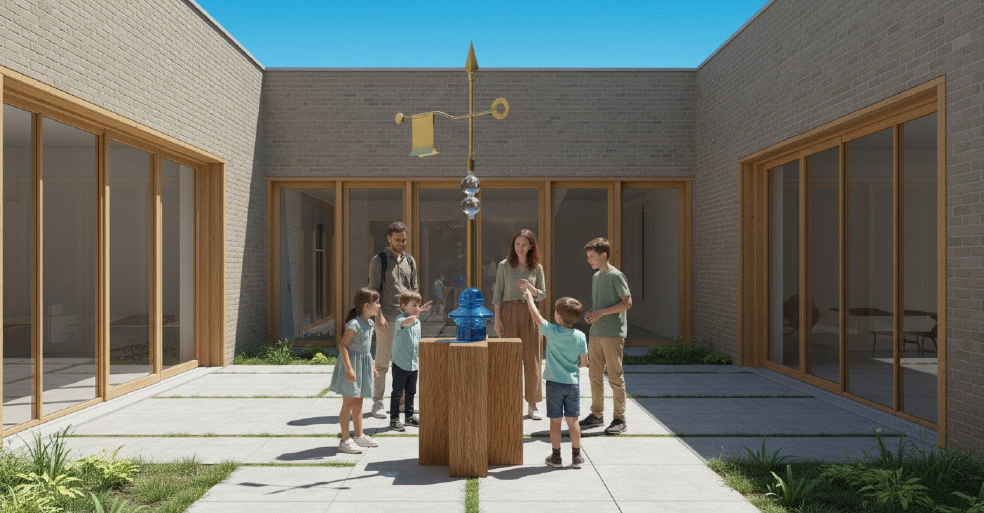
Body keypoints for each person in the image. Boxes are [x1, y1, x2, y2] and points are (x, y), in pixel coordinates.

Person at [521, 286, 588, 469]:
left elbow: (537, 318)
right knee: (572, 420)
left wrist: (529, 298)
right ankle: (576, 456)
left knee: (555, 421)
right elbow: (584, 362)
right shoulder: (580, 336)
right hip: (572, 385)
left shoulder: (552, 331)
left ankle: (556, 456)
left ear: (558, 316)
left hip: (554, 385)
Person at [579, 237, 633, 435]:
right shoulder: (596, 277)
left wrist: (601, 313)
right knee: (594, 376)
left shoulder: (616, 276)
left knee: (615, 378)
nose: (589, 260)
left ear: (604, 255)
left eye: (592, 256)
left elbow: (627, 303)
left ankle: (620, 418)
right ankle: (597, 415)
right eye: (587, 256)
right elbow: (602, 304)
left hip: (613, 334)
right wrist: (593, 313)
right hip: (596, 333)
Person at [492, 229, 547, 420]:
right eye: (517, 244)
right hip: (508, 311)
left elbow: (543, 294)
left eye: (524, 244)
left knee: (532, 359)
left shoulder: (536, 267)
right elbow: (497, 295)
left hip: (531, 312)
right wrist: (497, 319)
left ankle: (532, 404)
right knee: (509, 357)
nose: (520, 248)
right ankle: (510, 401)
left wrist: (532, 290)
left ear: (531, 246)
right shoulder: (504, 265)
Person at [368, 221, 419, 419]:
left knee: (406, 362)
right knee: (382, 361)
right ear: (389, 238)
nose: (401, 243)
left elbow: (414, 289)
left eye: (404, 240)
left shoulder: (410, 261)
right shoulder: (379, 260)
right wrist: (378, 315)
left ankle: (403, 401)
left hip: (407, 318)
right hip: (387, 318)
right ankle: (378, 401)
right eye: (397, 240)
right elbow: (373, 289)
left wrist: (416, 312)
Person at [329, 287, 382, 454]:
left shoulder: (370, 323)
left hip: (363, 365)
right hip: (351, 366)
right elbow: (342, 345)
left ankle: (359, 436)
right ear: (367, 305)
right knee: (349, 403)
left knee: (359, 401)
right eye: (377, 303)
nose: (379, 306)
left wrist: (372, 365)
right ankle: (345, 440)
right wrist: (349, 369)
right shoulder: (354, 324)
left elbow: (366, 349)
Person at [389, 290, 430, 431]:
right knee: (397, 393)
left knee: (411, 392)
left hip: (413, 362)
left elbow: (417, 338)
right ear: (403, 306)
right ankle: (394, 419)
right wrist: (420, 311)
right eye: (414, 305)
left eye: (418, 305)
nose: (417, 307)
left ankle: (409, 417)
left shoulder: (417, 321)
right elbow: (408, 321)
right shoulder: (400, 319)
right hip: (400, 362)